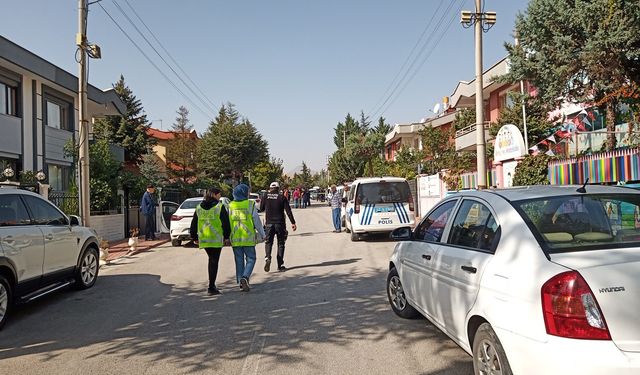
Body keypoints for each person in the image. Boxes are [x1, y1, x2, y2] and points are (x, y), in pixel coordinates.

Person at [189, 188, 231, 295]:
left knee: (211, 260)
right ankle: (211, 286)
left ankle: (211, 285)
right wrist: (227, 236)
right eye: (219, 195)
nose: (219, 197)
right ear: (214, 195)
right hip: (216, 239)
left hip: (204, 239)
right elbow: (225, 223)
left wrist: (194, 237)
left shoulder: (199, 207)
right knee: (214, 261)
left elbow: (194, 223)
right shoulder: (219, 206)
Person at [229, 184, 265, 292]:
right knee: (251, 259)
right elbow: (257, 221)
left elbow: (226, 222)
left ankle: (240, 282)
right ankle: (245, 277)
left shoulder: (230, 205)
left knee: (239, 260)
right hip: (248, 238)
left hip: (235, 238)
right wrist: (263, 233)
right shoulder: (250, 204)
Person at [260, 181, 297, 272]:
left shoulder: (265, 196)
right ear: (278, 188)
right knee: (281, 243)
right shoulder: (282, 197)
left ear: (270, 188)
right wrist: (293, 222)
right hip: (280, 224)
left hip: (269, 224)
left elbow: (261, 209)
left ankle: (267, 257)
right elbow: (288, 211)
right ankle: (280, 265)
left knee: (268, 242)